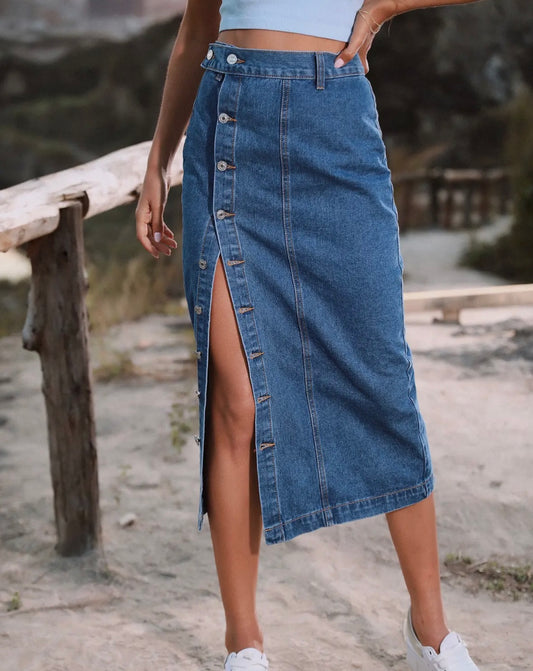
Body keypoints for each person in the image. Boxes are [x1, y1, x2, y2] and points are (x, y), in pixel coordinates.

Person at [136, 1, 484, 669]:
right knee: (235, 401)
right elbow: (193, 32)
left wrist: (382, 7)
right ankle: (243, 643)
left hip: (332, 127)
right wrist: (157, 162)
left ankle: (431, 633)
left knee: (380, 379)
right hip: (228, 125)